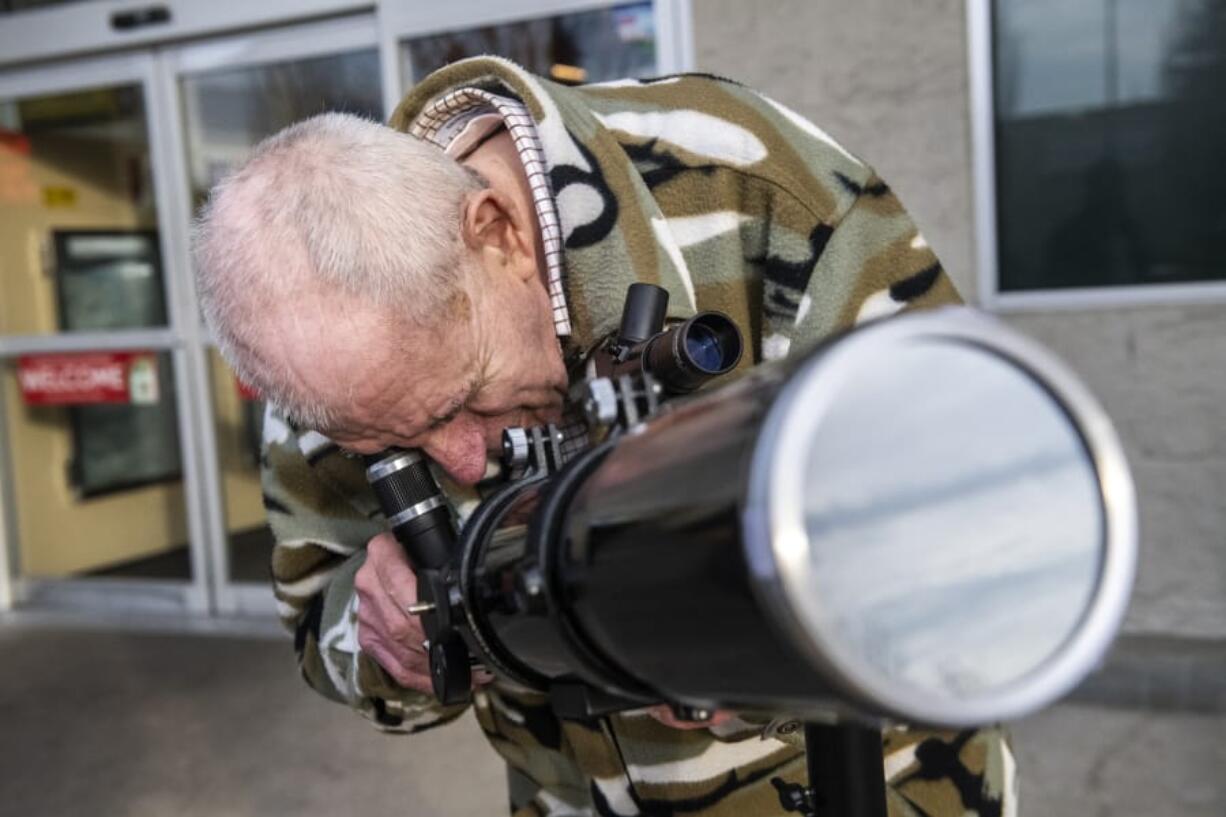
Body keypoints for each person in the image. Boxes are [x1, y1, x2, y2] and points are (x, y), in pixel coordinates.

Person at [193, 56, 1016, 817]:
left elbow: (979, 513)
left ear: (497, 234)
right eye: (393, 446)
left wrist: (751, 628)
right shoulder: (324, 357)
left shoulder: (748, 184)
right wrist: (391, 642)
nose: (465, 461)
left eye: (463, 401)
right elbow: (318, 620)